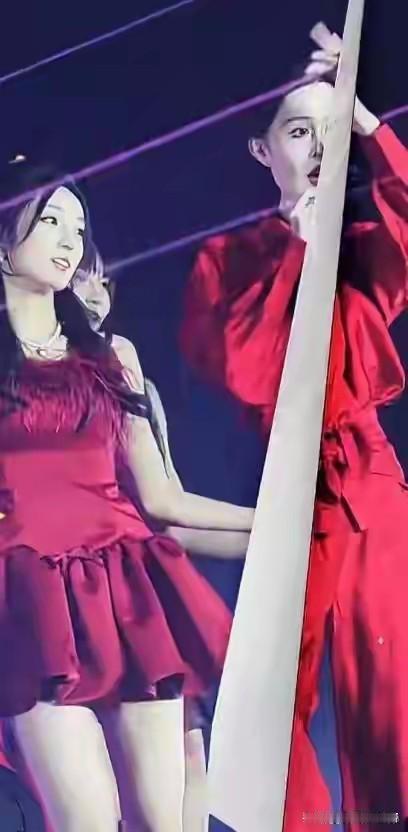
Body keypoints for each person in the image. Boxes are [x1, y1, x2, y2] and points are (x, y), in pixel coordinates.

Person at [180, 22, 408, 830]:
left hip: (370, 485)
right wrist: (295, 248)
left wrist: (370, 124)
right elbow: (243, 372)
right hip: (289, 493)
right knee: (278, 702)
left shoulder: (365, 246)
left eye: (330, 128)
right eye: (298, 130)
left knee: (391, 693)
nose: (318, 146)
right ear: (262, 149)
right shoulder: (224, 259)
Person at [0, 164, 254, 832]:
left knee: (161, 822)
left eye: (79, 227)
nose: (70, 241)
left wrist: (278, 520)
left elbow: (165, 499)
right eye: (50, 220)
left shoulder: (114, 355)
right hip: (32, 607)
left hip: (130, 594)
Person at [72, 255, 250, 832]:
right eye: (78, 276)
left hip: (145, 600)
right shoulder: (28, 375)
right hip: (76, 599)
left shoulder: (132, 377)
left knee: (188, 762)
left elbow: (169, 514)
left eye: (101, 278)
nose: (93, 291)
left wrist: (278, 537)